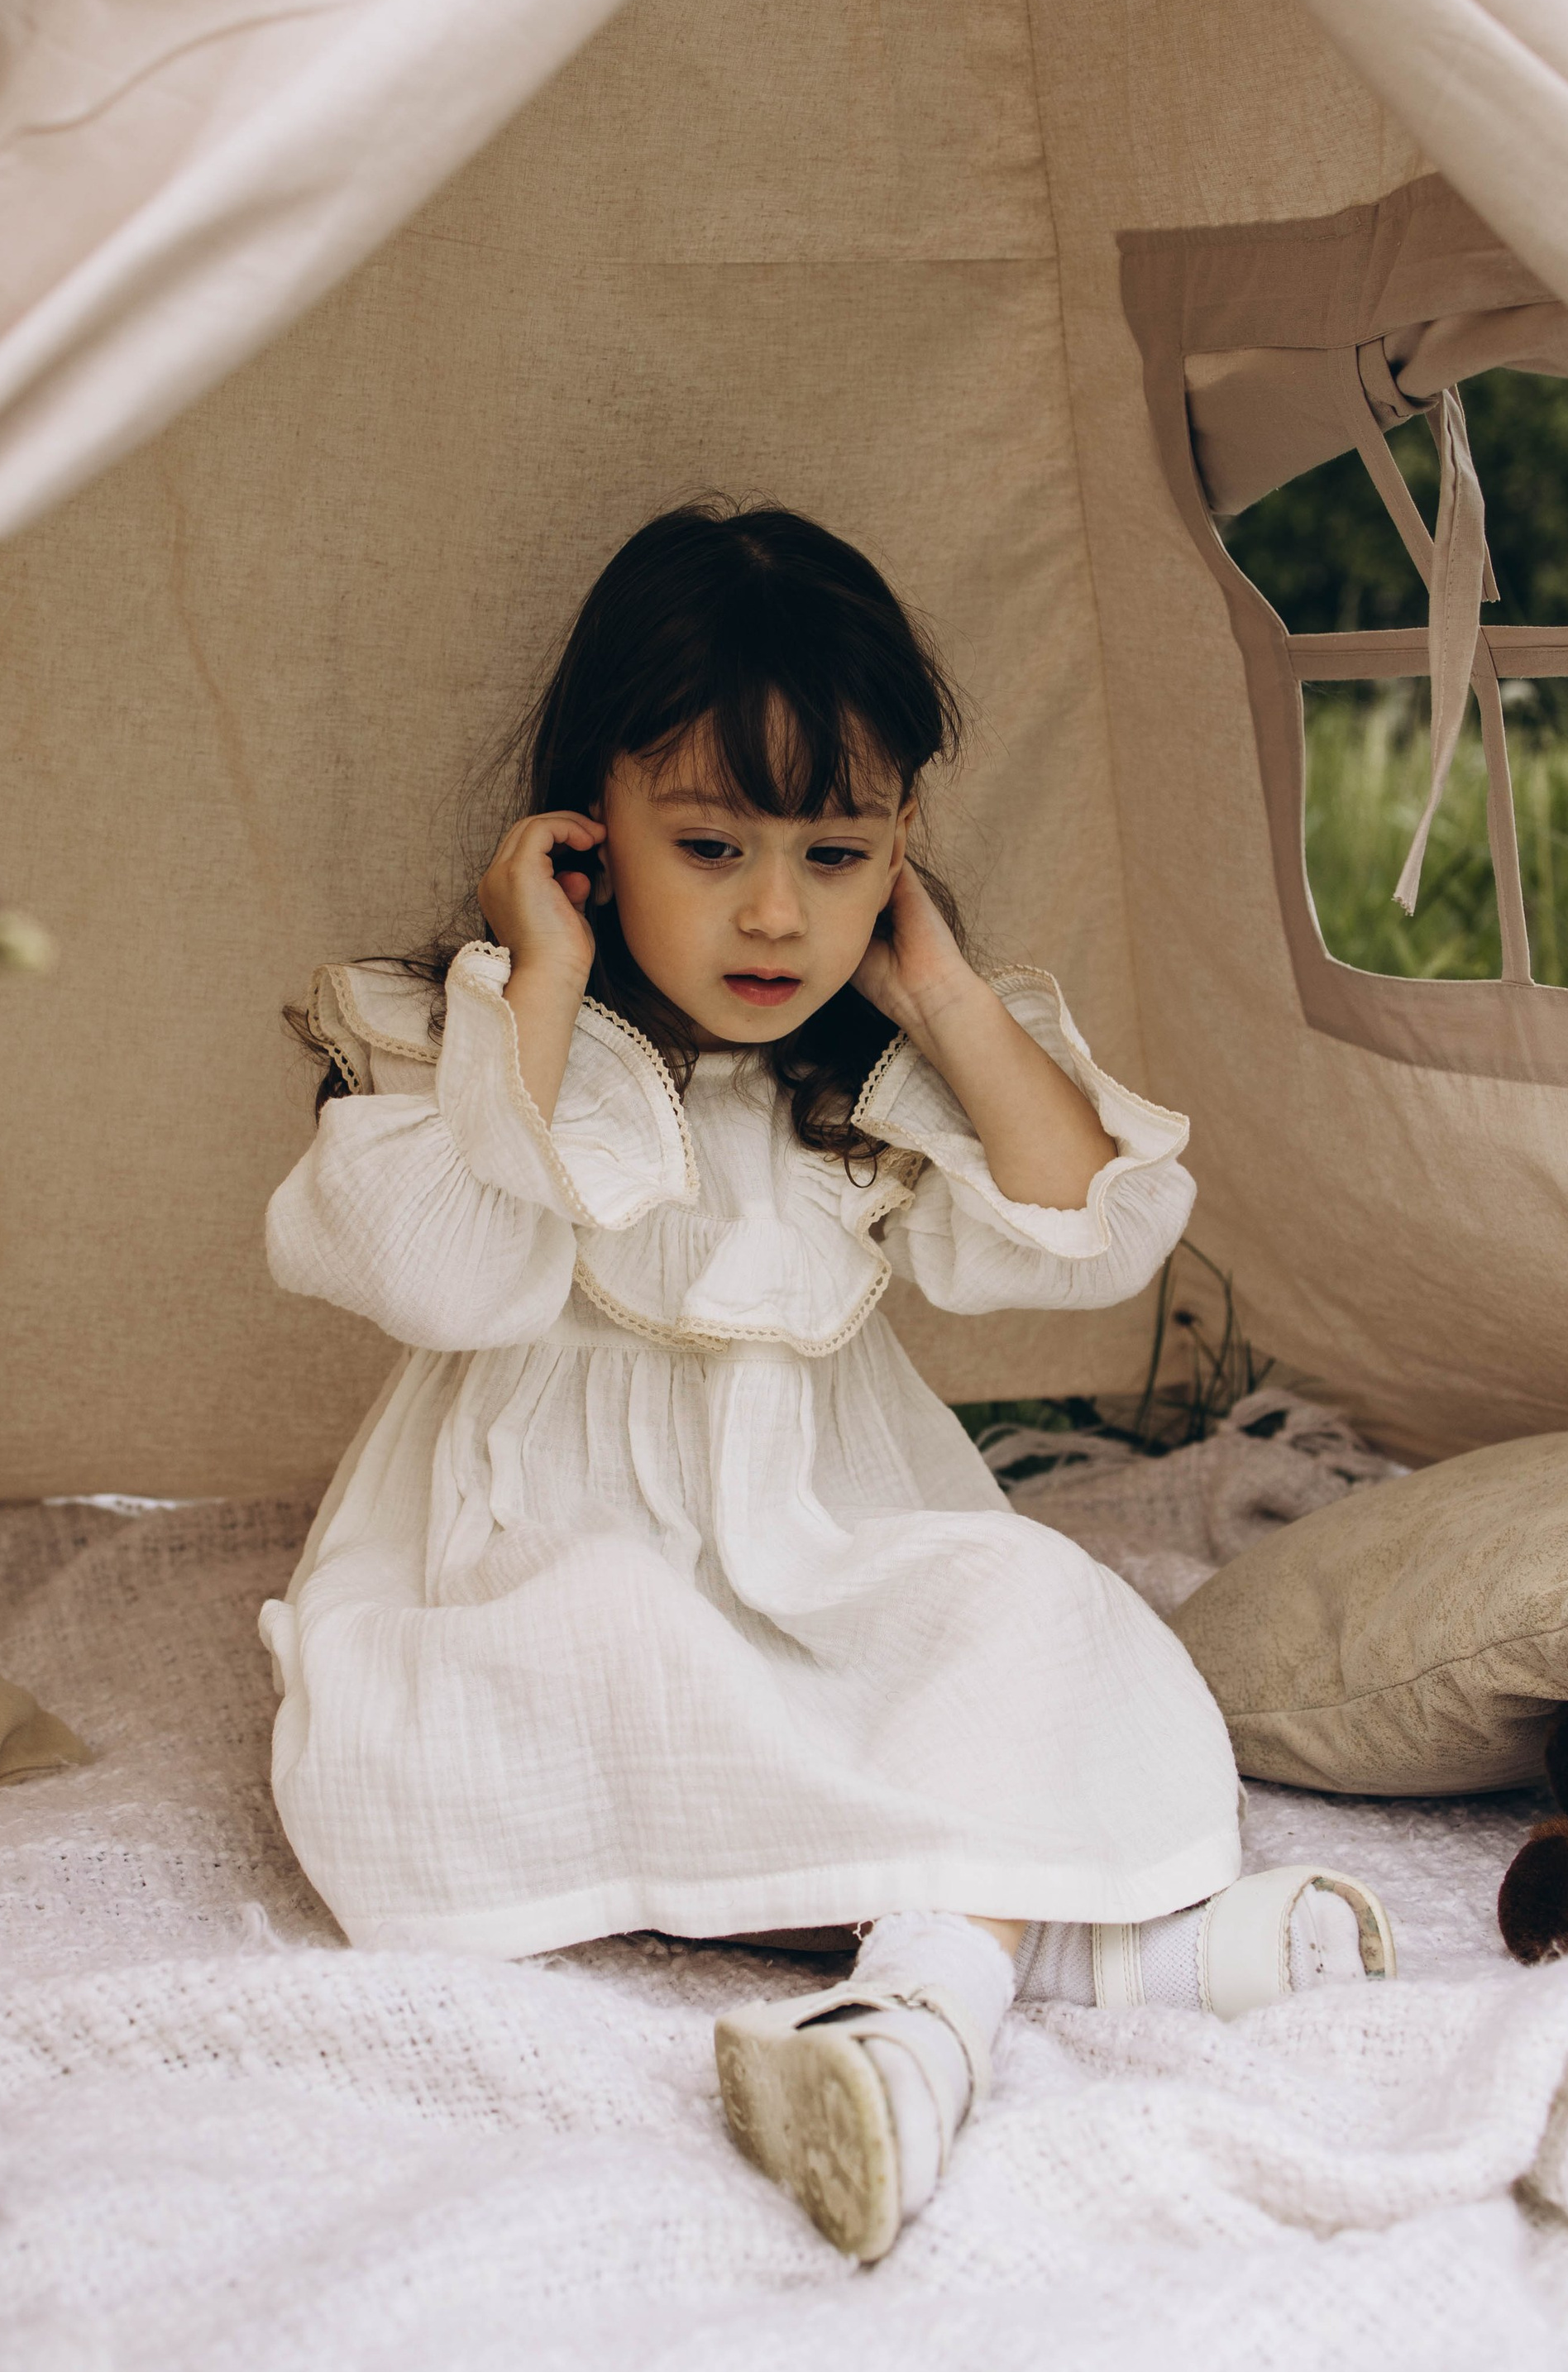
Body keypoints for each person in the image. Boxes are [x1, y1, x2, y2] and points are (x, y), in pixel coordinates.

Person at [261, 502, 1395, 2263]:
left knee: (1025, 1606)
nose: (777, 912)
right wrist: (537, 982)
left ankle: (917, 2019)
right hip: (559, 1540)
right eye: (706, 844)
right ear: (586, 826)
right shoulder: (468, 1034)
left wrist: (933, 982)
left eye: (838, 851)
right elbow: (450, 1277)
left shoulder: (874, 1063)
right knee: (569, 1669)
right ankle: (1053, 1960)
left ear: (901, 843)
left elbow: (1083, 1234)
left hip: (826, 1533)